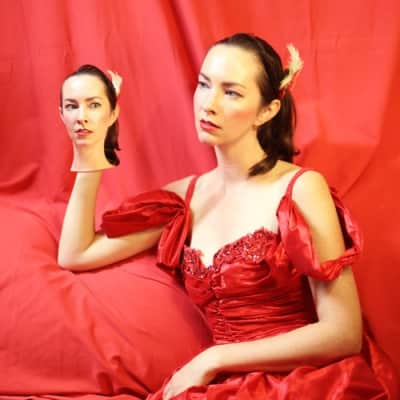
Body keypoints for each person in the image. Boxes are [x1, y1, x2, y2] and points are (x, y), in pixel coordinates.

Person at [58, 34, 398, 399]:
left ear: (267, 111)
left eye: (231, 92)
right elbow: (76, 254)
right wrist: (92, 145)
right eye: (204, 85)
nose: (209, 104)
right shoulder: (183, 200)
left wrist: (215, 358)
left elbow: (343, 333)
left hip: (304, 382)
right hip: (224, 386)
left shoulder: (300, 188)